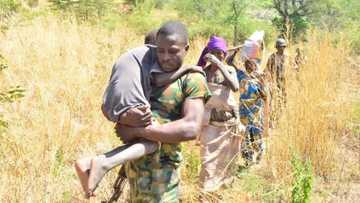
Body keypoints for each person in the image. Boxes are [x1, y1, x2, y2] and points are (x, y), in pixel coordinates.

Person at [74, 23, 205, 198]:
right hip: (135, 176)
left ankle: (100, 162)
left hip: (163, 184)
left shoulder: (193, 79)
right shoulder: (147, 69)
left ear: (186, 48)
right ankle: (99, 163)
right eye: (161, 51)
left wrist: (138, 130)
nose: (165, 57)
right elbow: (118, 119)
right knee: (150, 143)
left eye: (172, 51)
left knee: (151, 143)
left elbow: (191, 128)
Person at [197, 36, 242, 193]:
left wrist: (219, 64)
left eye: (221, 53)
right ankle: (205, 193)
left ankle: (219, 194)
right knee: (207, 162)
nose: (219, 56)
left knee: (225, 162)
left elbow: (235, 87)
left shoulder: (229, 70)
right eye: (215, 53)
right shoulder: (203, 73)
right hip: (210, 124)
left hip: (228, 125)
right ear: (209, 53)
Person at [238, 59, 267, 166]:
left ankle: (259, 155)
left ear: (255, 67)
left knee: (256, 134)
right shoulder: (241, 76)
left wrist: (260, 89)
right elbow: (229, 61)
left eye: (252, 65)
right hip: (243, 112)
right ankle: (248, 159)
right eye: (247, 65)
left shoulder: (259, 79)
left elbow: (265, 97)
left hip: (255, 113)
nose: (250, 67)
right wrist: (236, 51)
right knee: (244, 136)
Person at [265, 38, 288, 126]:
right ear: (277, 47)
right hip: (274, 83)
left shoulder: (287, 57)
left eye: (283, 47)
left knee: (283, 101)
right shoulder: (272, 57)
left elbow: (291, 69)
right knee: (273, 101)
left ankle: (279, 118)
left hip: (284, 83)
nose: (281, 48)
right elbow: (267, 70)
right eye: (280, 47)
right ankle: (272, 119)